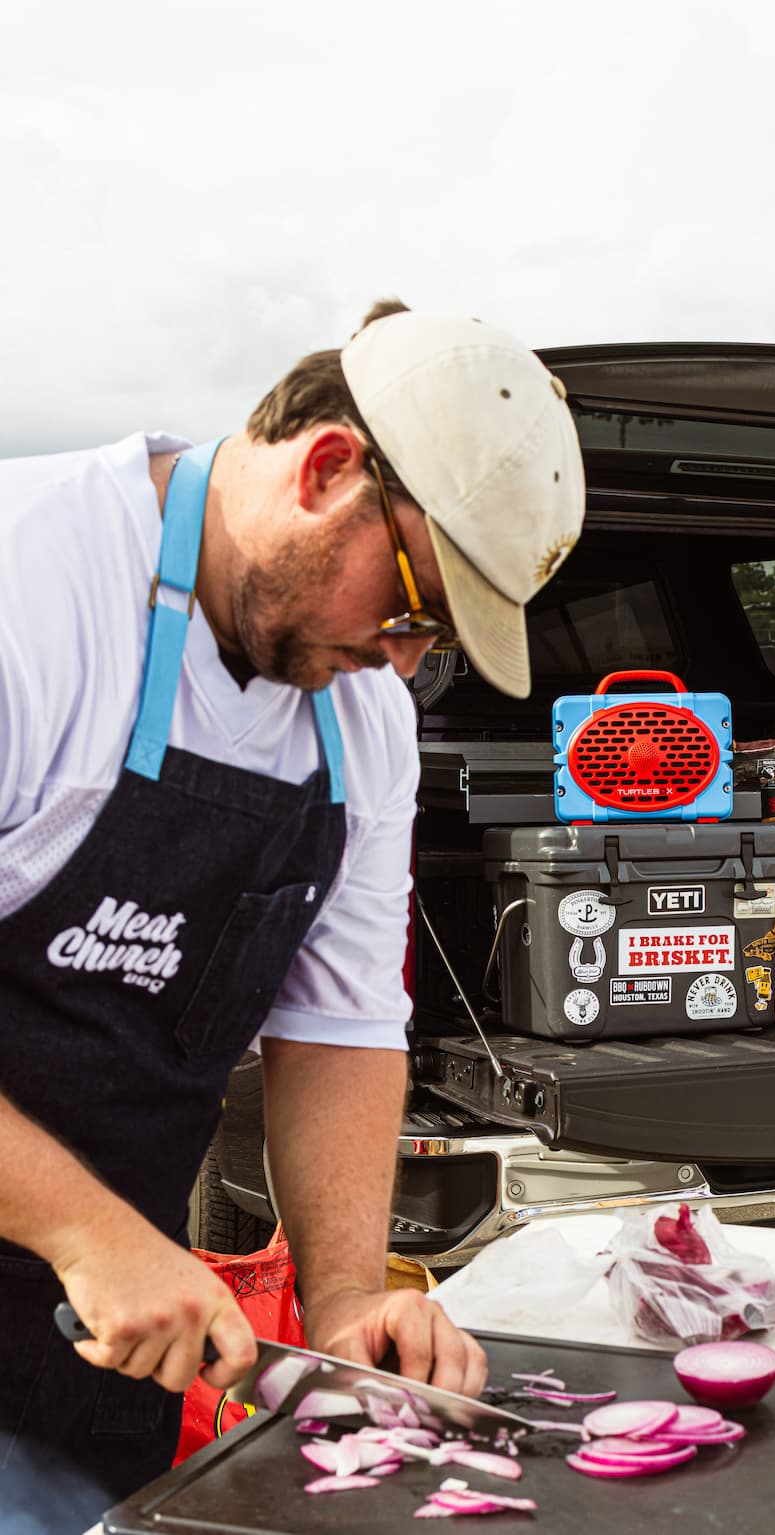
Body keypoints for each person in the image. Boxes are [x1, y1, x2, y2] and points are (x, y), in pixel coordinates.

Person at [0, 301, 586, 1528]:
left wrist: (344, 1310)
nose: (407, 659)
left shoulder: (359, 717)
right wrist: (85, 1232)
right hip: (94, 1252)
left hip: (104, 1327)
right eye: (415, 605)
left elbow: (342, 1027)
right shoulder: (31, 589)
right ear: (329, 468)